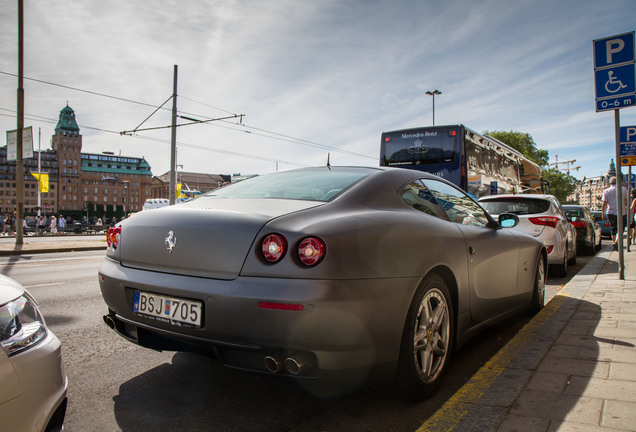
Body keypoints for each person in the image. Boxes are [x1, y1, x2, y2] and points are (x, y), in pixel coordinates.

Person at [602, 176, 629, 250]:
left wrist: (603, 214)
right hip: (622, 212)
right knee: (621, 228)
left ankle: (614, 241)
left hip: (610, 212)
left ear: (610, 182)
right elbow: (626, 201)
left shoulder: (606, 191)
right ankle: (616, 242)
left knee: (613, 228)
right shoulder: (623, 189)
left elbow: (604, 203)